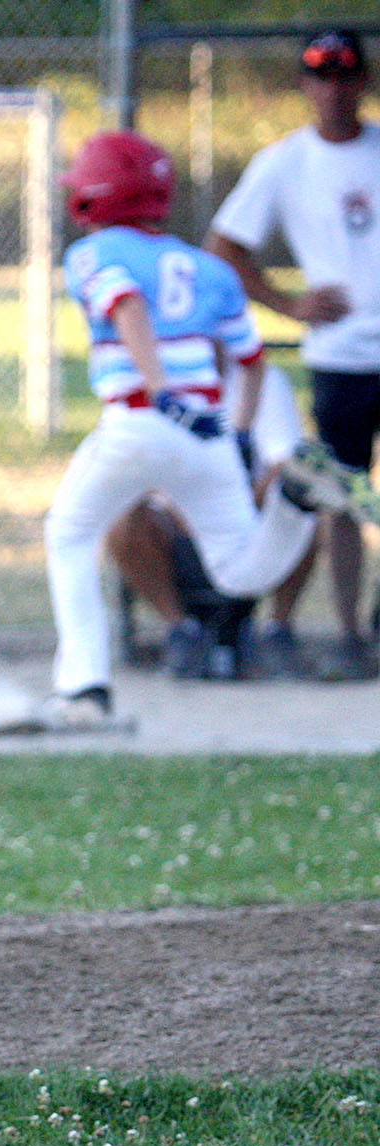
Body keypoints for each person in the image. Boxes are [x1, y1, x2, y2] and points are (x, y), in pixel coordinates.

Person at [44, 129, 327, 725]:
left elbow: (128, 306)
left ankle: (84, 686)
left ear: (96, 195)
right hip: (210, 432)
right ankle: (292, 505)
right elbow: (251, 361)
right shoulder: (207, 266)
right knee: (242, 568)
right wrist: (242, 433)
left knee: (68, 533)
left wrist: (158, 388)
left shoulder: (93, 253)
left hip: (144, 417)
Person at [206, 28, 380, 683]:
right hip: (341, 354)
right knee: (342, 492)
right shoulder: (286, 161)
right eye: (319, 76)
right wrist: (287, 303)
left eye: (344, 75)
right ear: (305, 85)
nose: (333, 89)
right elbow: (224, 244)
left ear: (362, 80)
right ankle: (349, 632)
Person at [106, 361, 305, 681]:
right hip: (177, 519)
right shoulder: (156, 378)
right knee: (122, 518)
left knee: (304, 507)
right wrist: (192, 509)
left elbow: (286, 462)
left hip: (246, 521)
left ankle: (276, 633)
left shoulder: (259, 378)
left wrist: (231, 511)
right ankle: (182, 634)